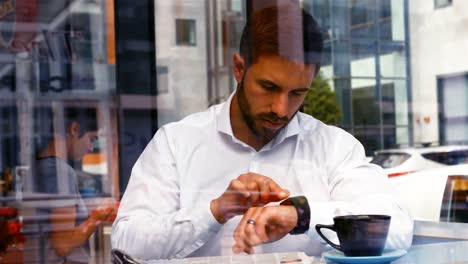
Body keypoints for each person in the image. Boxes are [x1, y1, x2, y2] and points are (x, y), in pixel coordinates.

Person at [111, 2, 413, 260]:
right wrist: (214, 211)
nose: (281, 108)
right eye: (269, 87)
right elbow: (126, 242)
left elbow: (397, 228)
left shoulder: (333, 147)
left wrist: (302, 215)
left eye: (297, 92)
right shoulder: (176, 143)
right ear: (239, 68)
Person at [34, 107, 116, 263]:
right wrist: (98, 216)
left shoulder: (37, 167)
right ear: (74, 129)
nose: (91, 147)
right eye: (92, 139)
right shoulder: (61, 172)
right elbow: (63, 245)